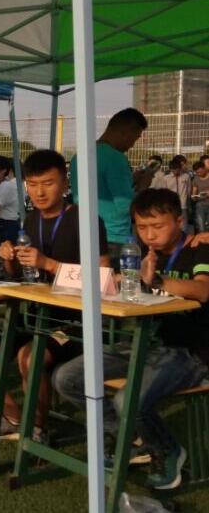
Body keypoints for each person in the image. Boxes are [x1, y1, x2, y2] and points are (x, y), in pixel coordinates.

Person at [54, 188, 209, 490]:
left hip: (190, 351)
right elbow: (121, 286)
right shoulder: (138, 253)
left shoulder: (199, 248)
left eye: (158, 226)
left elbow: (202, 290)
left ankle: (167, 449)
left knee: (126, 400)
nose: (149, 234)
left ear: (179, 221)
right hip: (144, 343)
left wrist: (158, 280)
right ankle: (132, 438)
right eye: (142, 226)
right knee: (67, 378)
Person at [0, 150, 109, 442]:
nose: (39, 192)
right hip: (33, 317)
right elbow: (20, 275)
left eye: (48, 183)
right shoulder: (31, 221)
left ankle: (37, 428)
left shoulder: (86, 220)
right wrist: (9, 259)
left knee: (29, 356)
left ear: (64, 184)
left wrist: (48, 264)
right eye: (33, 184)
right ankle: (14, 415)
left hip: (75, 324)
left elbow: (103, 278)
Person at [70, 107, 148, 267]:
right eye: (135, 138)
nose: (132, 145)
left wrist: (131, 181)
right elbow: (126, 207)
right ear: (125, 131)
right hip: (114, 239)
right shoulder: (116, 158)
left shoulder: (79, 156)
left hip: (84, 236)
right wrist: (143, 187)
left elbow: (99, 189)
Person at [192, 160, 209, 233]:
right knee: (201, 226)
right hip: (201, 204)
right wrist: (194, 197)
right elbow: (194, 192)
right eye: (197, 172)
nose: (199, 174)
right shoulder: (196, 179)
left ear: (204, 168)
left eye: (200, 172)